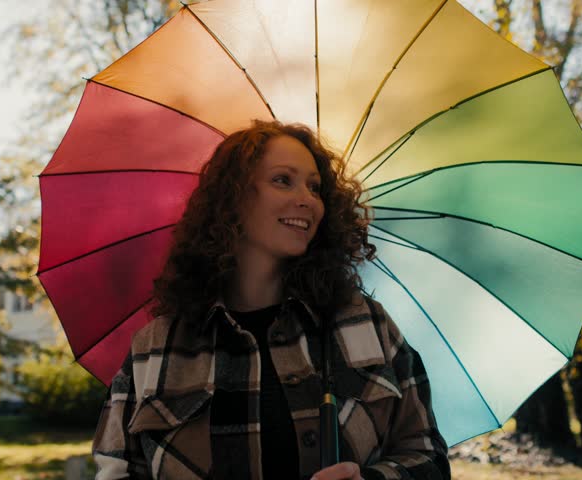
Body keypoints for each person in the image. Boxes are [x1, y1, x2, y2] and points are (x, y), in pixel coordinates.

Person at [92, 120, 451, 480]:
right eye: (283, 180)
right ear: (232, 197)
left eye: (315, 187)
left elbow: (428, 457)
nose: (308, 200)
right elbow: (117, 470)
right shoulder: (155, 346)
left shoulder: (367, 324)